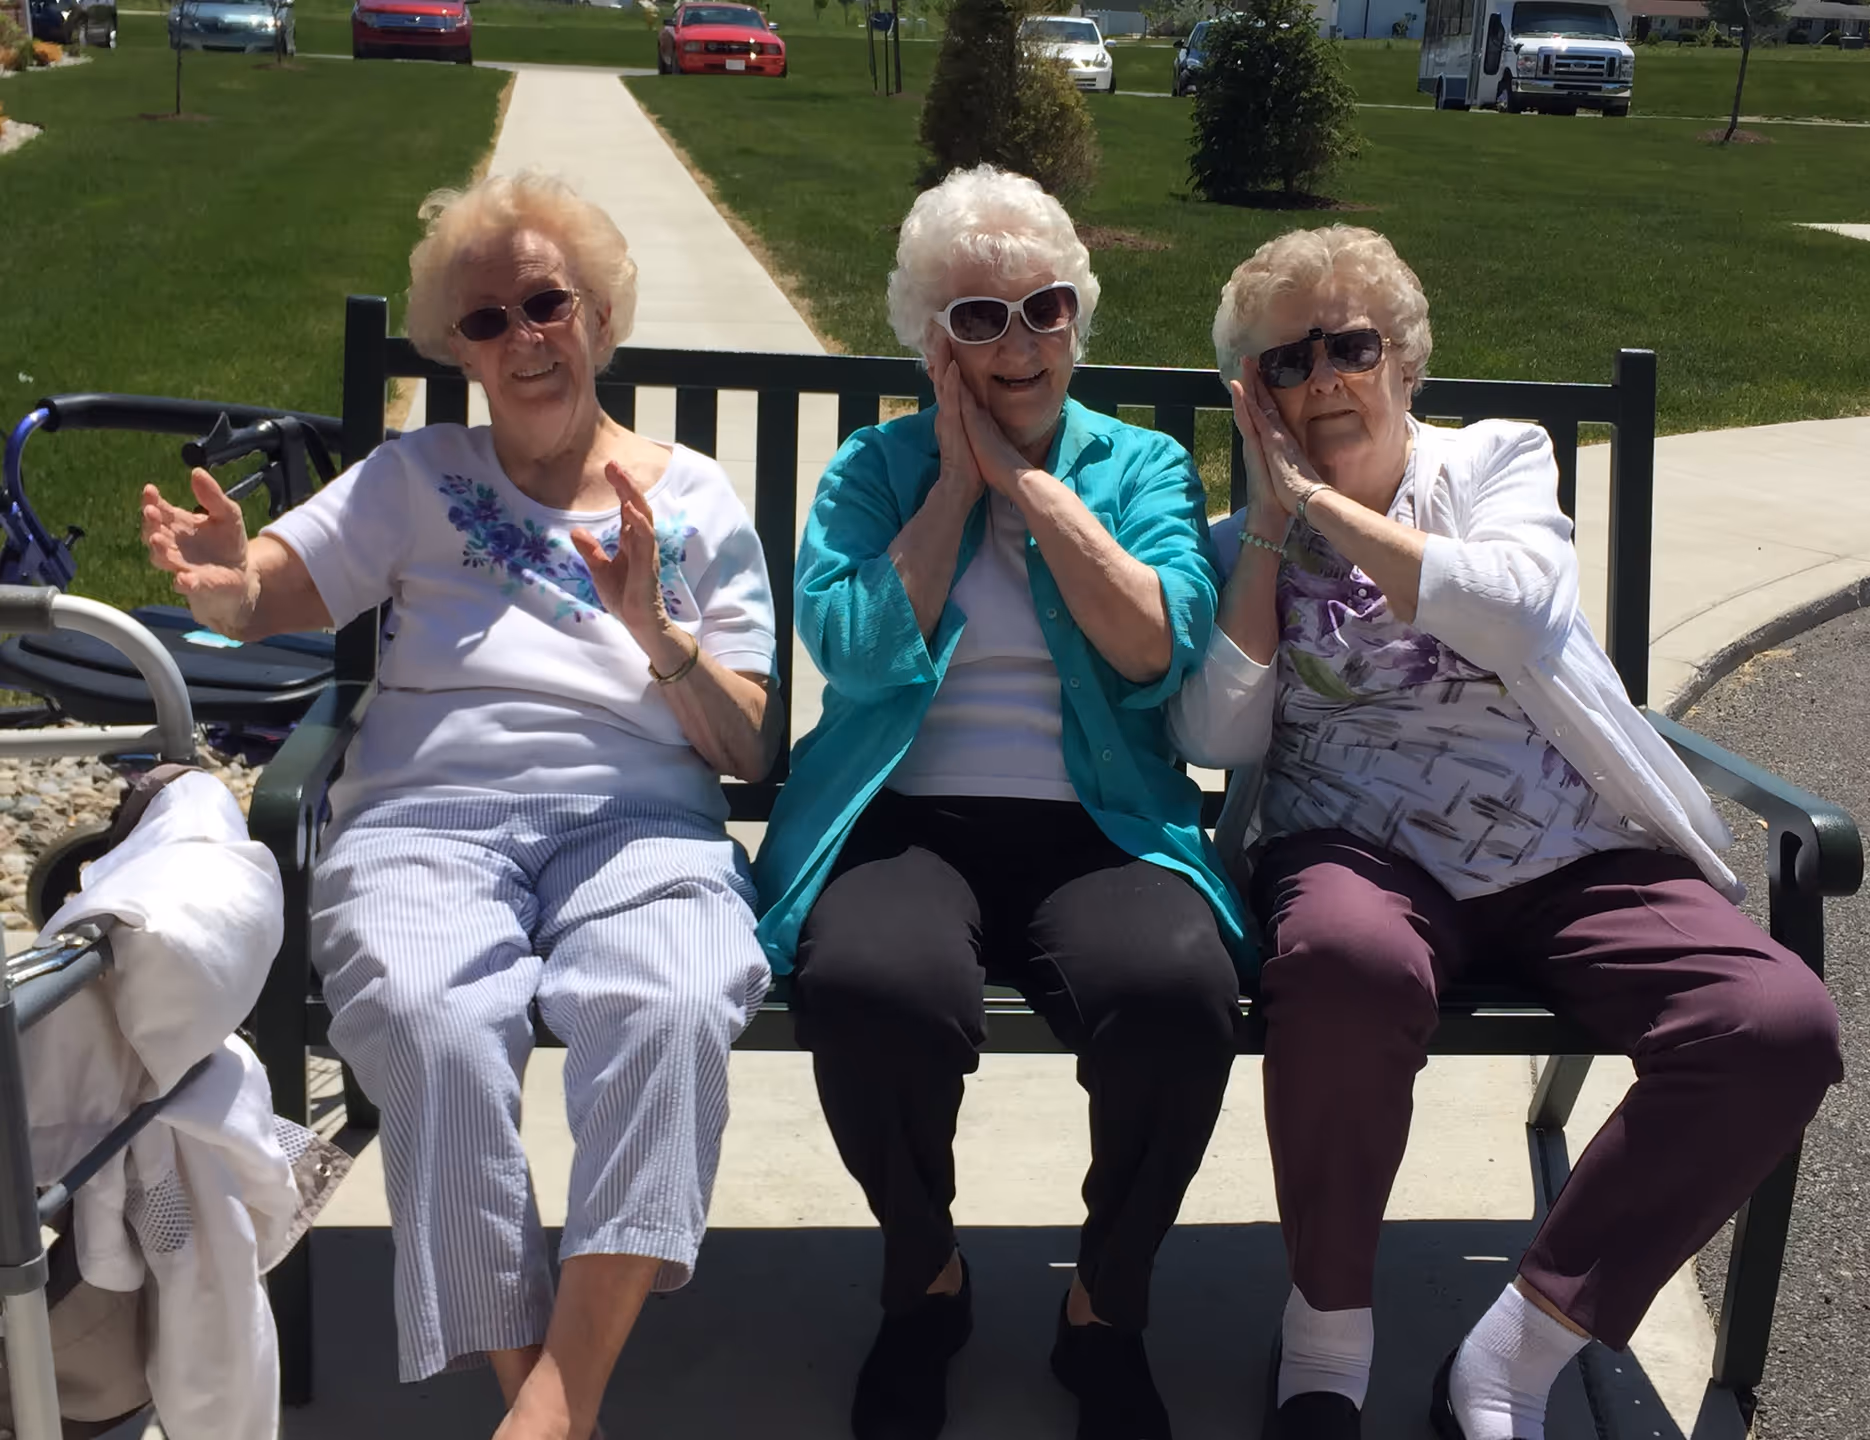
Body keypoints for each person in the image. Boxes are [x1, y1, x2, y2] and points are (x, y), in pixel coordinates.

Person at [1167, 224, 1844, 1440]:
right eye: (1287, 361)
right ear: (1250, 395)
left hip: (1575, 849)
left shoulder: (1493, 462)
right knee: (1340, 968)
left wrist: (1326, 501)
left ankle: (1513, 1358)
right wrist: (1275, 528)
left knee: (1773, 1026)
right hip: (1357, 854)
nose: (1322, 376)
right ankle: (1325, 1340)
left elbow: (1521, 615)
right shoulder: (1240, 547)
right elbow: (1216, 735)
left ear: (1407, 358)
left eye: (1352, 345)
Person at [139, 171, 781, 1440]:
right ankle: (550, 1409)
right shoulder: (417, 474)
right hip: (428, 823)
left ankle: (549, 1409)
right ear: (459, 348)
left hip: (640, 826)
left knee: (669, 1002)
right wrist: (225, 587)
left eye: (546, 303)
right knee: (432, 1025)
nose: (523, 337)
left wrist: (653, 627)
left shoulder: (695, 501)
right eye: (486, 322)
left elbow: (750, 748)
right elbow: (280, 583)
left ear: (597, 314)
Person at [753, 164, 1252, 1440]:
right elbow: (854, 650)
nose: (1017, 342)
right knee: (871, 987)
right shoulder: (878, 468)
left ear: (1080, 317)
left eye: (1043, 309)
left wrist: (1026, 488)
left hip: (1103, 825)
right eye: (978, 317)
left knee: (1176, 995)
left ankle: (1106, 1305)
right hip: (909, 816)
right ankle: (926, 1278)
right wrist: (953, 487)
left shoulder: (1137, 464)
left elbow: (1156, 644)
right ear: (932, 335)